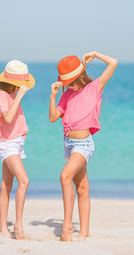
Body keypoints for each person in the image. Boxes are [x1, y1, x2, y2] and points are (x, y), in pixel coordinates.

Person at [49, 51, 118, 241]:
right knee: (82, 188)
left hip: (84, 144)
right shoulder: (67, 94)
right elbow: (53, 117)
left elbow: (113, 63)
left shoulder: (94, 88)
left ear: (79, 77)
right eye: (67, 83)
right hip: (69, 144)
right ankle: (85, 231)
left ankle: (67, 226)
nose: (69, 86)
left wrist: (95, 54)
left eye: (70, 82)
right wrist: (53, 96)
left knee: (65, 176)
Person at [0, 60, 35, 239]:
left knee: (6, 185)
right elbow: (8, 118)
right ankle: (18, 225)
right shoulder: (2, 95)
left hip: (15, 142)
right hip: (8, 144)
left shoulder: (10, 94)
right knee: (24, 181)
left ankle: (2, 227)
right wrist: (19, 96)